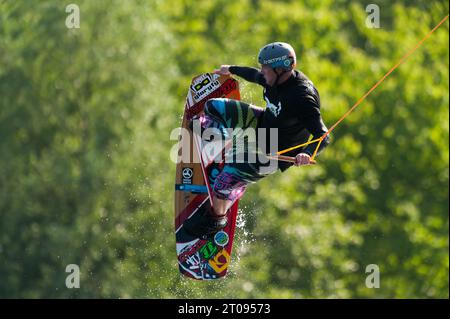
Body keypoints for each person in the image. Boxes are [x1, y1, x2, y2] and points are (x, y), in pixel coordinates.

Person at [183, 42, 330, 237]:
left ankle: (217, 218)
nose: (262, 72)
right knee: (212, 107)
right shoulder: (274, 79)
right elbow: (253, 75)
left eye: (266, 68)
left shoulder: (302, 98)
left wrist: (306, 153)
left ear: (281, 69)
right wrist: (231, 70)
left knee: (221, 185)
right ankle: (226, 144)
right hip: (261, 124)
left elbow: (323, 135)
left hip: (272, 153)